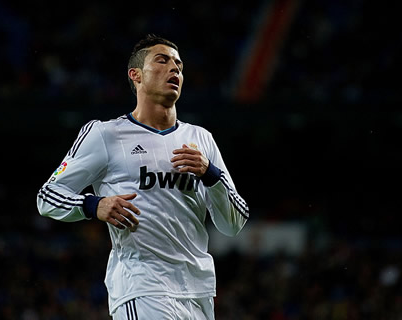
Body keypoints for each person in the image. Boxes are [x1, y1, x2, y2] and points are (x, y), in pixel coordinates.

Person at [37, 34, 249, 319]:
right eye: (162, 61)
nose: (174, 69)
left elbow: (234, 223)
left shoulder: (201, 139)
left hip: (198, 293)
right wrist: (93, 205)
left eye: (179, 64)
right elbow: (47, 196)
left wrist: (210, 173)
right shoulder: (105, 134)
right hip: (142, 287)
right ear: (135, 75)